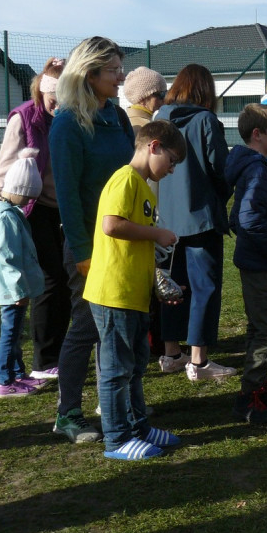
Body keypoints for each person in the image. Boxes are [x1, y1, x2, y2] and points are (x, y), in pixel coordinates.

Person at [84, 120, 185, 460]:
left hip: (133, 293)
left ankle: (138, 427)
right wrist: (156, 234)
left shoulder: (142, 185)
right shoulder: (125, 179)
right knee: (115, 370)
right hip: (114, 292)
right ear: (153, 146)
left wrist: (157, 277)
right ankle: (116, 439)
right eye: (171, 161)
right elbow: (111, 225)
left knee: (136, 365)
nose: (171, 170)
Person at [50, 37, 135, 444]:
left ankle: (113, 402)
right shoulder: (67, 123)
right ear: (90, 74)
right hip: (88, 244)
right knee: (85, 328)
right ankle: (68, 414)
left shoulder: (117, 116)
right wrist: (82, 253)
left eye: (121, 68)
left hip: (123, 239)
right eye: (114, 70)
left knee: (118, 328)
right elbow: (66, 194)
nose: (122, 77)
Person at [154, 64, 236, 381]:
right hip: (201, 218)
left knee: (173, 287)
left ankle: (171, 353)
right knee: (204, 288)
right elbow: (221, 168)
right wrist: (222, 194)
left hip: (166, 220)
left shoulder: (159, 119)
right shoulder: (206, 121)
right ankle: (199, 362)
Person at [0, 57, 68, 381]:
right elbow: (3, 173)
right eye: (54, 99)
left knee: (63, 278)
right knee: (50, 278)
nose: (58, 106)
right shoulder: (23, 119)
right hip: (28, 210)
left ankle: (57, 351)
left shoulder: (65, 119)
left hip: (59, 208)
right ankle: (45, 359)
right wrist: (3, 213)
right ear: (42, 91)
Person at [224, 104, 267, 424]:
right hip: (260, 262)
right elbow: (249, 220)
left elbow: (238, 216)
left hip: (256, 260)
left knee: (259, 325)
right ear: (257, 134)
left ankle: (260, 387)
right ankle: (249, 398)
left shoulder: (254, 165)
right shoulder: (256, 169)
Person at [0, 148, 48, 397]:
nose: (28, 203)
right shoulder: (5, 219)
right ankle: (6, 381)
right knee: (10, 334)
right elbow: (8, 258)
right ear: (18, 191)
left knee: (15, 334)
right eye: (27, 198)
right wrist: (18, 289)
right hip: (13, 290)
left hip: (15, 288)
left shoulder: (1, 210)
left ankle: (18, 374)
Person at [122, 67, 167, 134]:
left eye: (166, 93)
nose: (165, 99)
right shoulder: (147, 128)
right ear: (142, 99)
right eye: (161, 94)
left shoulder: (125, 121)